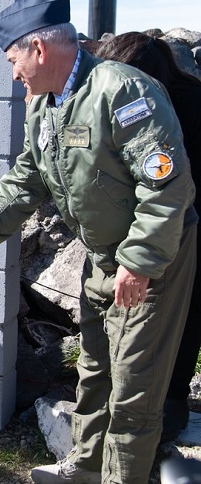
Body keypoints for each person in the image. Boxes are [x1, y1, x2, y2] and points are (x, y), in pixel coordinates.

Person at [0, 0, 197, 484]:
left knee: (134, 389)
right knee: (95, 372)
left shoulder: (122, 91)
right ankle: (83, 470)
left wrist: (139, 262)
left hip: (152, 262)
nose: (14, 74)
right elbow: (26, 180)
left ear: (39, 49)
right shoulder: (46, 106)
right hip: (102, 257)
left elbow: (166, 184)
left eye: (14, 60)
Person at [95, 31, 201, 443]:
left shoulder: (150, 106)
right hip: (173, 224)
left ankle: (151, 412)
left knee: (168, 319)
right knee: (182, 320)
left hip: (176, 226)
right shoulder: (187, 97)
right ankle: (160, 406)